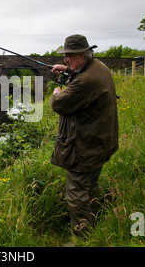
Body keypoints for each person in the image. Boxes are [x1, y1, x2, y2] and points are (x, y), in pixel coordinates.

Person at [49, 34, 119, 238]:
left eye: (69, 56)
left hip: (86, 145)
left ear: (82, 54)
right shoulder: (98, 66)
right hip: (101, 140)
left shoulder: (86, 81)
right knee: (90, 185)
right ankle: (94, 220)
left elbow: (58, 104)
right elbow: (80, 72)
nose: (65, 60)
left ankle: (82, 236)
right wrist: (68, 70)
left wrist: (56, 92)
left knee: (76, 191)